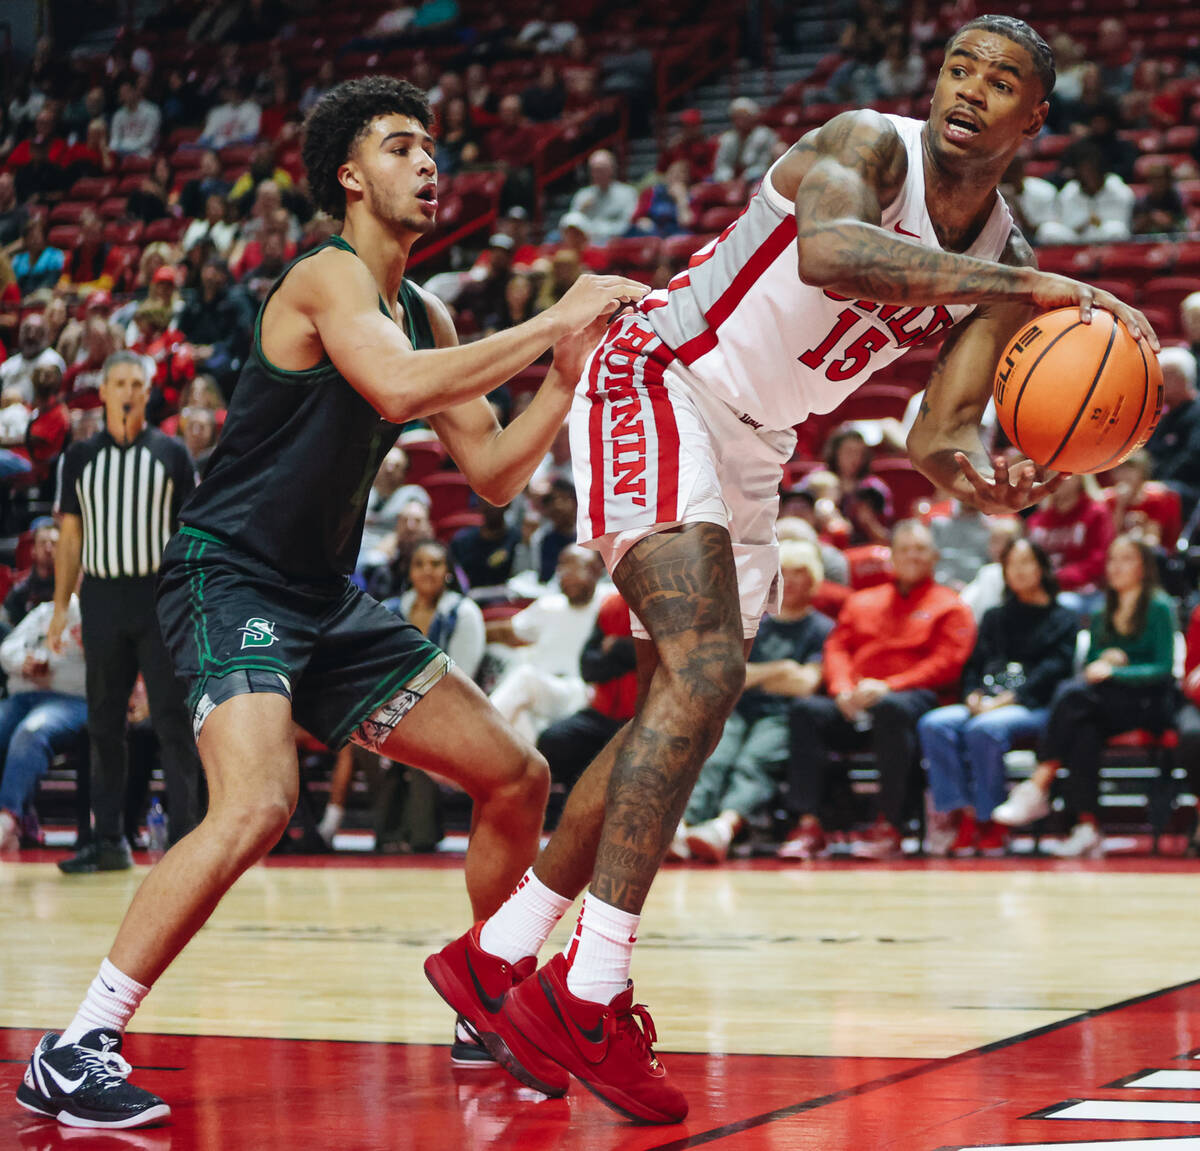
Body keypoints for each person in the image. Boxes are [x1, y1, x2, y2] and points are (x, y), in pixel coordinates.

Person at [425, 16, 1157, 1126]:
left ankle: (500, 955)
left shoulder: (1002, 256)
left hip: (759, 446)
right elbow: (830, 252)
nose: (970, 90)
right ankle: (588, 989)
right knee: (710, 666)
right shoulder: (870, 142)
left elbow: (937, 433)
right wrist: (1030, 288)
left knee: (673, 711)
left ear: (1034, 117)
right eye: (960, 67)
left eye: (1001, 82)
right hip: (664, 374)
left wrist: (988, 478)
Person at [17, 76, 644, 1129]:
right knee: (259, 802)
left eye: (433, 146)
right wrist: (556, 316)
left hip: (325, 595)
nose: (429, 162)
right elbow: (398, 391)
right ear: (351, 176)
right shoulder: (324, 278)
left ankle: (488, 992)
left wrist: (564, 374)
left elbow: (490, 471)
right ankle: (75, 1042)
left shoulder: (425, 307)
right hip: (233, 576)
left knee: (515, 775)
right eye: (403, 146)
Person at [51, 351, 204, 877]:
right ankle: (108, 840)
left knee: (172, 721)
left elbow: (192, 535)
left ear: (146, 391)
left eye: (135, 383)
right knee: (103, 723)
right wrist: (58, 608)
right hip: (100, 598)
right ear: (103, 391)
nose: (126, 391)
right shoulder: (79, 456)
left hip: (158, 599)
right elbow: (70, 536)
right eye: (117, 382)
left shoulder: (172, 453)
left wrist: (190, 603)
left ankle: (188, 844)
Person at [992, 535, 1178, 857]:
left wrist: (1118, 670)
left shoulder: (1159, 605)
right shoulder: (1103, 609)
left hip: (1150, 701)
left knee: (1072, 697)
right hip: (1106, 702)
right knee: (1082, 730)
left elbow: (1163, 668)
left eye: (1126, 559)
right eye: (1112, 560)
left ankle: (1039, 783)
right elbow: (1093, 660)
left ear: (1143, 567)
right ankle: (1087, 826)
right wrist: (1105, 662)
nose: (1116, 567)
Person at [917, 537, 1077, 856]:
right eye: (1011, 565)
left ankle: (991, 820)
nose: (1018, 571)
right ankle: (962, 812)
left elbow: (1053, 672)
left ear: (1042, 568)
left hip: (1033, 705)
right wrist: (973, 694)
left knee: (984, 729)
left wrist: (1009, 699)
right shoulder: (994, 616)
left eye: (1025, 563)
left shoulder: (1063, 618)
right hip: (986, 701)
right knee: (934, 723)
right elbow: (975, 664)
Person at [685, 538, 833, 863]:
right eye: (784, 572)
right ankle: (682, 828)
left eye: (799, 572)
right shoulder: (753, 622)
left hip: (782, 716)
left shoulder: (822, 628)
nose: (790, 580)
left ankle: (724, 828)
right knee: (714, 759)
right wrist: (781, 669)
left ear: (814, 578)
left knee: (754, 762)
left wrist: (753, 675)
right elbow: (725, 675)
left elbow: (807, 684)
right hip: (736, 709)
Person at [0, 588, 88, 853]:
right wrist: (22, 662)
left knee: (32, 731)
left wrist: (54, 667)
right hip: (23, 696)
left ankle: (8, 819)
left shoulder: (96, 617)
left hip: (72, 700)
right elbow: (7, 650)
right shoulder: (44, 612)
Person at [488, 545, 605, 744]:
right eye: (562, 568)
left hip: (580, 691)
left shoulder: (608, 602)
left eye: (576, 567)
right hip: (542, 692)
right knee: (518, 718)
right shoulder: (549, 605)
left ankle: (468, 744)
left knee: (525, 678)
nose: (566, 575)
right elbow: (506, 632)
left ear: (596, 570)